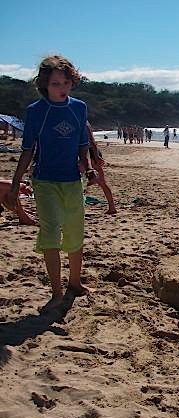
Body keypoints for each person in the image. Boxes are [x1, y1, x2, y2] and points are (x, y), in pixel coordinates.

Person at [5, 55, 93, 310]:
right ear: (45, 84)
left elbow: (81, 142)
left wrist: (87, 167)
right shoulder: (36, 111)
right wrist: (14, 185)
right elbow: (27, 150)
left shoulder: (79, 107)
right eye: (55, 83)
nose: (61, 88)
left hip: (72, 181)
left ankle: (74, 283)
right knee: (51, 234)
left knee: (76, 232)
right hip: (44, 181)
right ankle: (56, 292)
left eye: (65, 82)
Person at [86, 122, 116, 214]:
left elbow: (91, 141)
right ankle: (112, 207)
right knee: (103, 183)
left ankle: (94, 179)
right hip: (94, 152)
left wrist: (96, 156)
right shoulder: (85, 122)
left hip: (89, 152)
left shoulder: (83, 123)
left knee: (80, 177)